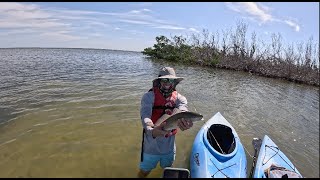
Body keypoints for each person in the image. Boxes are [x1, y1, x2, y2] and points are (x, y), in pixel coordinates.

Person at [138, 67, 194, 178]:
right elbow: (145, 116)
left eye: (171, 80)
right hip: (150, 145)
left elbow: (183, 109)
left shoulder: (180, 98)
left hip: (169, 146)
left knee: (168, 171)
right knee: (144, 173)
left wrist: (186, 120)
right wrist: (152, 130)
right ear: (158, 81)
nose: (168, 83)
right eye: (165, 80)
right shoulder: (148, 96)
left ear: (174, 83)